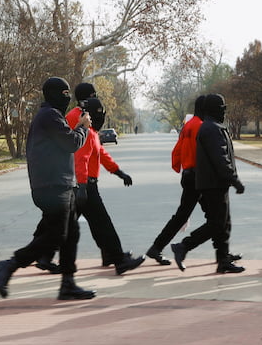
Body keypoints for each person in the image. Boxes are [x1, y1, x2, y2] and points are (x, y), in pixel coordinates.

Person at [0, 77, 95, 300]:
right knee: (57, 235)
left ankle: (68, 283)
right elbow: (71, 143)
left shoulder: (52, 116)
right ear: (53, 95)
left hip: (60, 183)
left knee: (70, 234)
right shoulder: (49, 116)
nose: (68, 98)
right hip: (51, 185)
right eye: (64, 94)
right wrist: (83, 128)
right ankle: (9, 265)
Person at [36, 95, 144, 275]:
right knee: (102, 223)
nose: (96, 118)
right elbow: (81, 161)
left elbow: (103, 156)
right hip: (84, 187)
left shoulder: (92, 133)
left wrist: (119, 173)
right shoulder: (86, 132)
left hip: (83, 186)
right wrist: (84, 188)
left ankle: (45, 256)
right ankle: (118, 259)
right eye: (96, 113)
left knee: (64, 224)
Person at [170, 93, 246, 273]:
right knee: (217, 223)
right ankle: (184, 246)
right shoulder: (211, 128)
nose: (224, 112)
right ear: (214, 110)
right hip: (214, 184)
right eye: (222, 108)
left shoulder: (213, 126)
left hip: (215, 183)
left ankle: (223, 259)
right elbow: (220, 158)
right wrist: (233, 179)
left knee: (223, 223)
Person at [143, 95, 206, 266]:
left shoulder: (188, 126)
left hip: (188, 174)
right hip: (199, 176)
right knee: (218, 216)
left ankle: (157, 247)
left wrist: (179, 166)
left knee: (182, 216)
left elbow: (177, 150)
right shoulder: (202, 126)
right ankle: (223, 254)